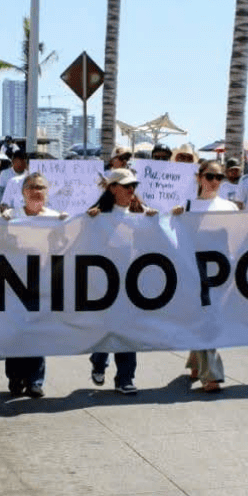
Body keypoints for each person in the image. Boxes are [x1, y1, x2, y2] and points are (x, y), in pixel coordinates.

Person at [86, 167, 158, 394]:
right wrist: (89, 222)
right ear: (113, 188)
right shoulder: (97, 214)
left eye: (134, 186)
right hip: (105, 282)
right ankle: (99, 360)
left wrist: (157, 221)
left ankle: (125, 378)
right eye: (127, 186)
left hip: (132, 282)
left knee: (128, 330)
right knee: (108, 327)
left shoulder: (142, 212)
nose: (131, 190)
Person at [171, 161, 238, 392]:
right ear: (199, 177)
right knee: (206, 320)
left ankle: (196, 361)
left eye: (220, 177)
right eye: (210, 176)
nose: (215, 182)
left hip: (221, 273)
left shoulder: (229, 207)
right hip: (195, 272)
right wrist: (174, 217)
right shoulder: (187, 207)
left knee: (209, 320)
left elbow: (242, 236)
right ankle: (212, 375)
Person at [1, 173, 66, 397]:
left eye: (41, 187)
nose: (36, 191)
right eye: (32, 187)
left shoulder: (56, 218)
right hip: (15, 283)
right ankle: (15, 378)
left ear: (47, 192)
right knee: (16, 332)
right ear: (23, 192)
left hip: (43, 282)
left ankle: (35, 381)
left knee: (37, 332)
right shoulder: (10, 216)